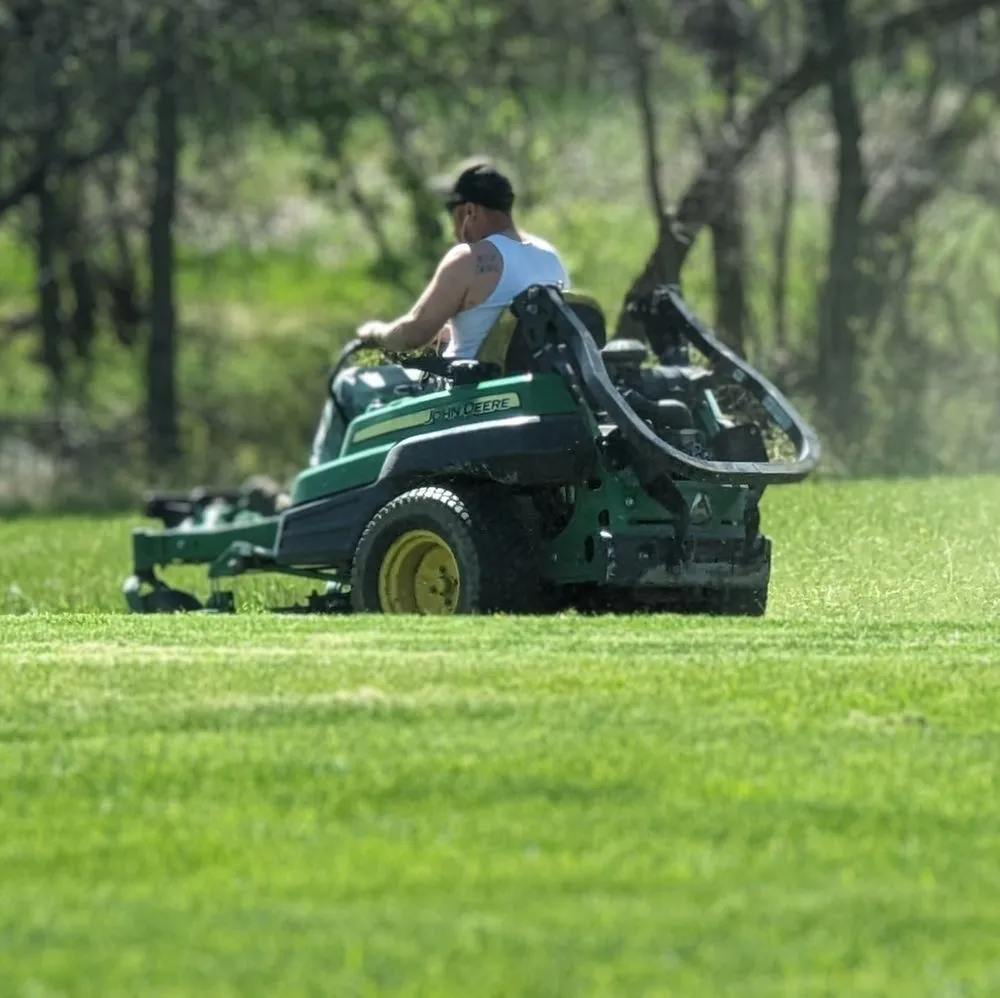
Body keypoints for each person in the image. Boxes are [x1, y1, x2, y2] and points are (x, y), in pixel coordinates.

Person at [356, 163, 570, 359]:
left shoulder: (467, 258)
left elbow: (413, 333)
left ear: (469, 211)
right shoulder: (550, 255)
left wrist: (374, 332)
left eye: (452, 212)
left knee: (352, 389)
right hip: (535, 385)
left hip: (470, 394)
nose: (453, 230)